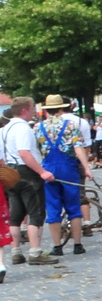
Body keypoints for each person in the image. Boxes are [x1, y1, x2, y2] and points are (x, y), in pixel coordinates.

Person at [2, 98, 57, 266]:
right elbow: (24, 153)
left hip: (10, 172)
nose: (34, 111)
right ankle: (35, 252)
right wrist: (42, 172)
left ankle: (16, 251)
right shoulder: (23, 129)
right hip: (27, 172)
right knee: (36, 212)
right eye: (32, 108)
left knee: (15, 215)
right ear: (25, 109)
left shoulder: (4, 129)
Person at [36, 95, 93, 257]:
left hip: (49, 168)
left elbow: (36, 150)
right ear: (62, 108)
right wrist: (87, 167)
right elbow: (78, 148)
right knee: (73, 206)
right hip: (68, 168)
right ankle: (77, 244)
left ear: (47, 110)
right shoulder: (71, 125)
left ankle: (57, 246)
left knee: (53, 208)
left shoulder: (39, 127)